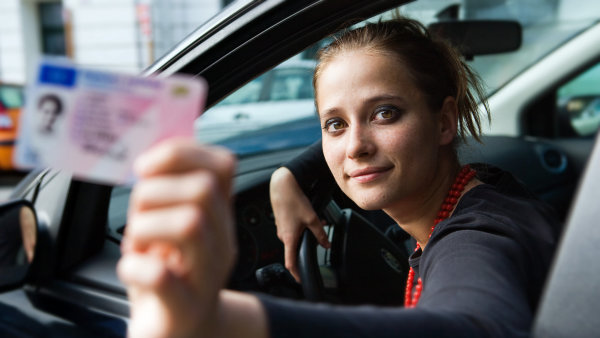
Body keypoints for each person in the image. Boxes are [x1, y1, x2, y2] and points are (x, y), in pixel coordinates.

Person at [118, 17, 558, 337]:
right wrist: (287, 176)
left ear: (444, 122)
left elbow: (479, 326)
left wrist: (221, 321)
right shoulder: (483, 186)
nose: (355, 147)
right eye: (335, 124)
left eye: (385, 113)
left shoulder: (476, 233)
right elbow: (359, 144)